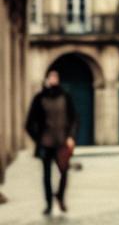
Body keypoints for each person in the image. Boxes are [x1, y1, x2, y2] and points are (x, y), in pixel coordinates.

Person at [24, 70, 78, 216]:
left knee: (64, 172)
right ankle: (48, 204)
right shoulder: (39, 98)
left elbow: (74, 118)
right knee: (46, 175)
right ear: (46, 79)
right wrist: (38, 139)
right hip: (46, 143)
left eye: (56, 77)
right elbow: (29, 123)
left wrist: (71, 136)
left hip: (62, 142)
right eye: (51, 77)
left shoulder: (65, 96)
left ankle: (60, 196)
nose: (53, 79)